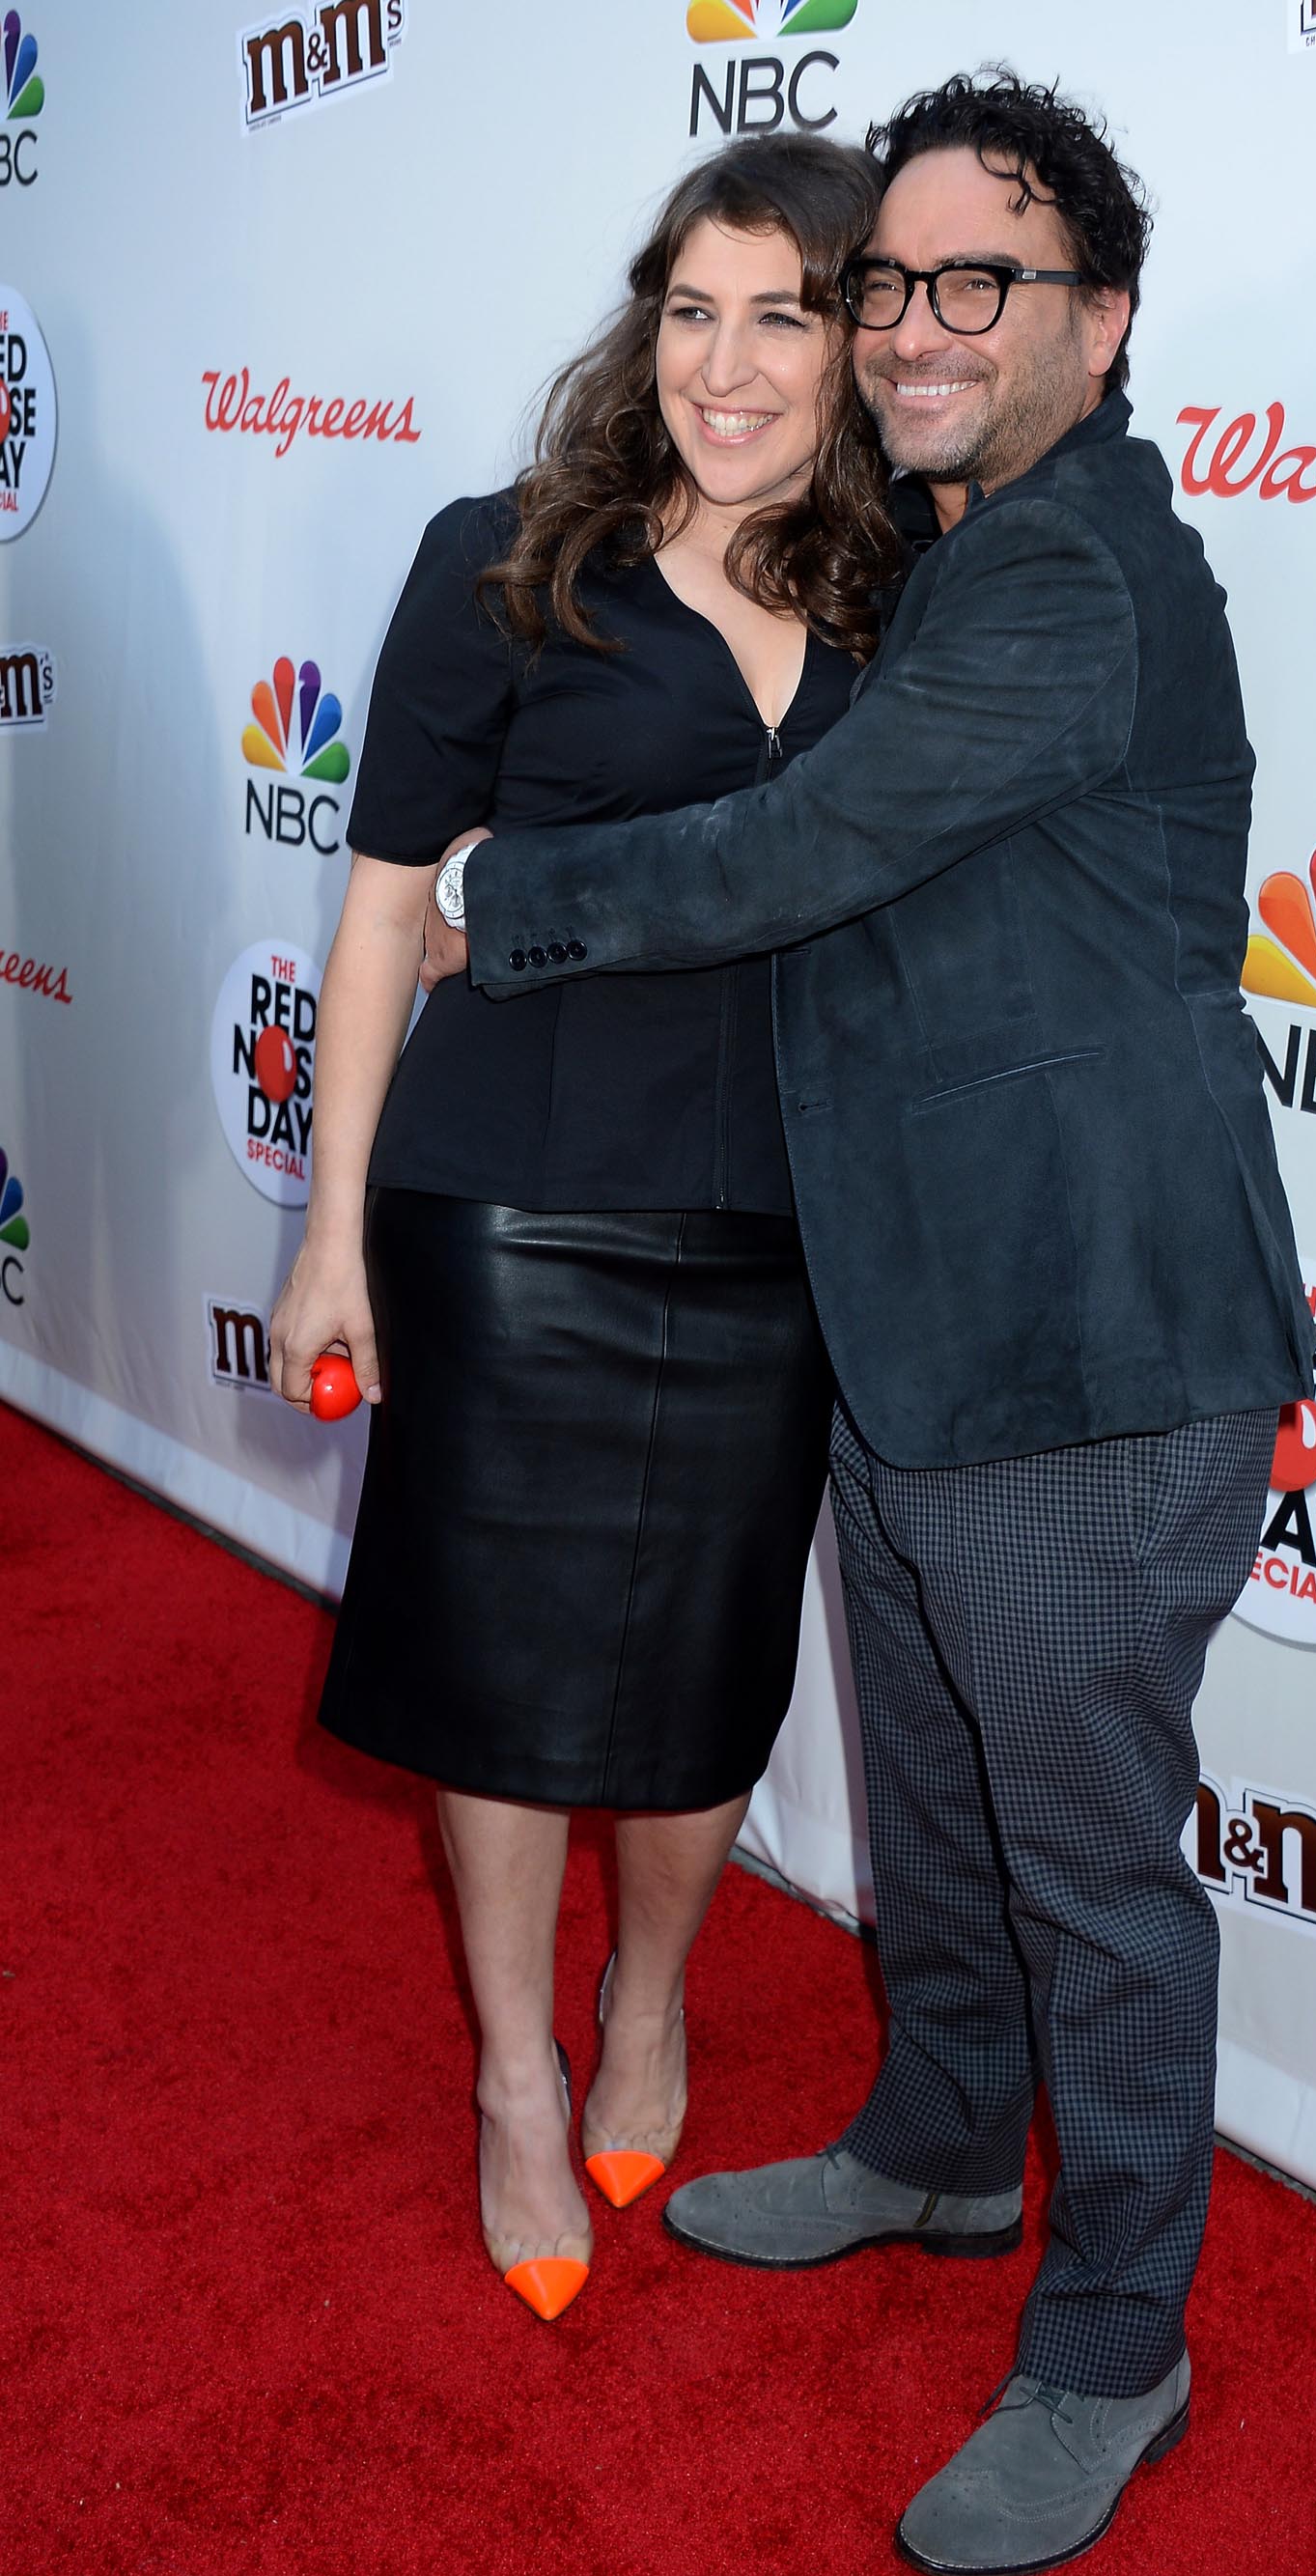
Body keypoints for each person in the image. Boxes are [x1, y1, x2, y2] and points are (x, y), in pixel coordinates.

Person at [422, 69, 1315, 2576]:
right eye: (886, 280)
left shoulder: (1061, 571)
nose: (916, 325)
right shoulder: (936, 556)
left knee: (1086, 1871)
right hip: (918, 1326)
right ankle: (935, 2139)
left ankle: (1112, 2329)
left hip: (1092, 1344)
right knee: (934, 1816)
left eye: (975, 282)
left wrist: (538, 893)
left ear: (1096, 325)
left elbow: (811, 843)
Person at [268, 136, 903, 2328]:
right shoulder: (503, 563)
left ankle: (652, 2003)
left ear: (857, 337)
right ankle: (522, 2080)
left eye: (784, 315)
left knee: (707, 1679)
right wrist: (328, 1229)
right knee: (507, 1679)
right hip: (506, 1207)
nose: (727, 365)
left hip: (784, 1226)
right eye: (694, 308)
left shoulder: (909, 586)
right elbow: (377, 914)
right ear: (652, 321)